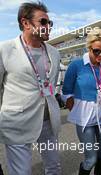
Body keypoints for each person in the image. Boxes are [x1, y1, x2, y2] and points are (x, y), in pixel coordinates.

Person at [0, 2, 61, 175]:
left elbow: (51, 84)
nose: (48, 27)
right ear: (26, 23)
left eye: (50, 23)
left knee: (54, 167)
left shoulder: (54, 52)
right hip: (17, 122)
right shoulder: (4, 49)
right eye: (43, 22)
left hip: (48, 120)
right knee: (21, 172)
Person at [62, 27, 101, 175]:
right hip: (85, 118)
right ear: (89, 48)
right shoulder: (76, 65)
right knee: (91, 159)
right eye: (96, 51)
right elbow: (66, 90)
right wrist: (75, 108)